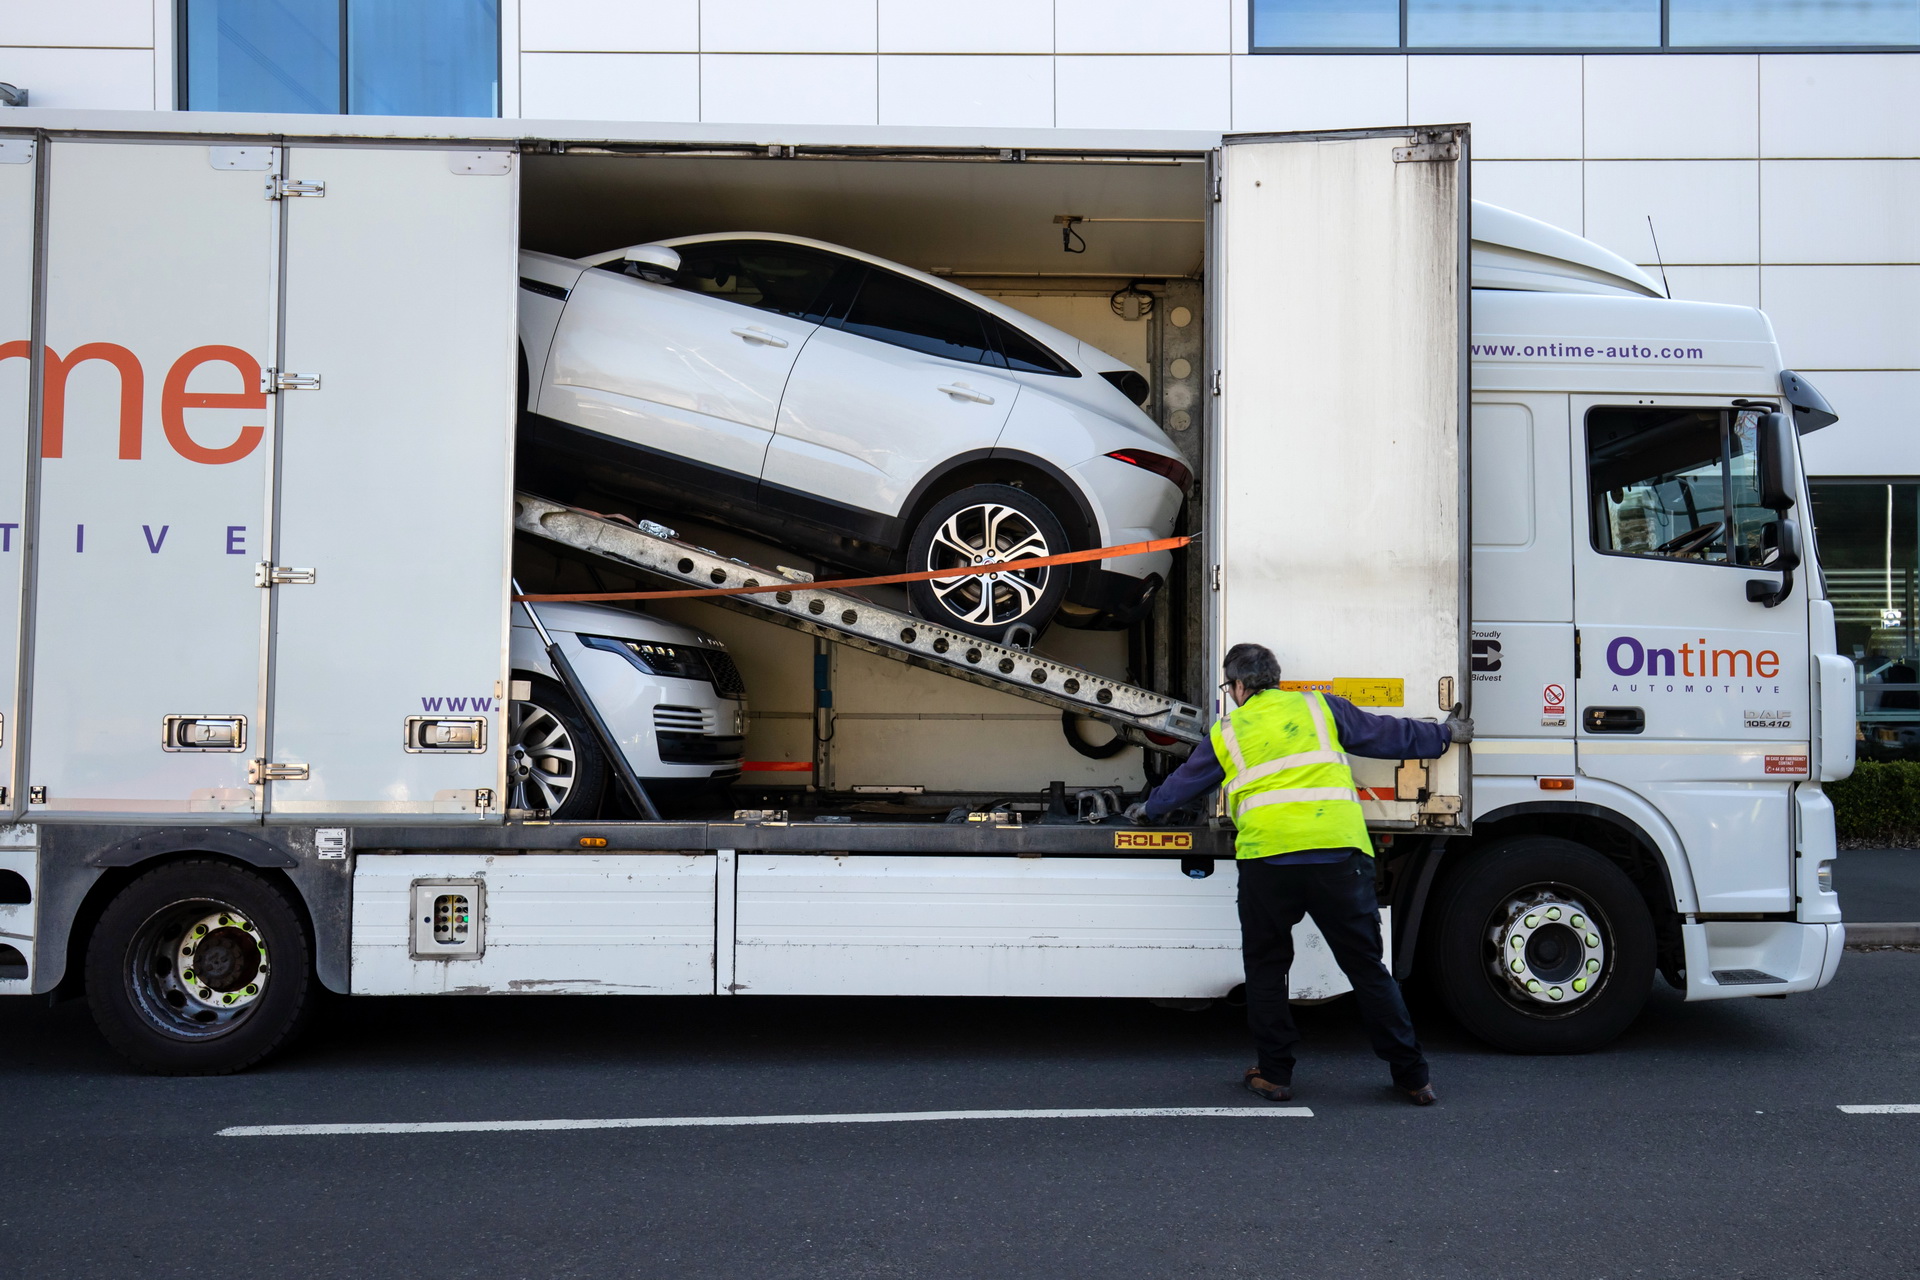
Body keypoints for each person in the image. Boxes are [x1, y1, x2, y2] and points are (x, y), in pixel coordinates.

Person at [1126, 642, 1472, 1107]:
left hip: (1269, 862)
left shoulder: (1229, 730)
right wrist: (1446, 735)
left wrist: (1148, 808)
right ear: (1276, 677)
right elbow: (1387, 736)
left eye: (1230, 687)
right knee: (1368, 969)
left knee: (1268, 971)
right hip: (1338, 858)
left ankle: (1275, 1075)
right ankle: (1413, 1078)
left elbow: (1188, 781)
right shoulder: (1319, 707)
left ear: (1241, 686)